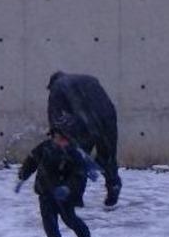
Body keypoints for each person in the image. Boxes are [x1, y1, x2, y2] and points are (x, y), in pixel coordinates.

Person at [17, 116, 94, 237]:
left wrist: (68, 188)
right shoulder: (45, 148)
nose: (58, 141)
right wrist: (23, 174)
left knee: (70, 219)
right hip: (46, 191)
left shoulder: (75, 155)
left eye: (62, 139)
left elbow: (79, 176)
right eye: (55, 137)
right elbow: (32, 159)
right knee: (49, 223)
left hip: (65, 196)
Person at [46, 71, 122, 207]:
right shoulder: (90, 79)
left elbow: (55, 115)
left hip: (84, 122)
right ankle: (113, 185)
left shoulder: (57, 87)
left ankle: (75, 197)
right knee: (107, 155)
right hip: (108, 117)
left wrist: (55, 133)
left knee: (78, 159)